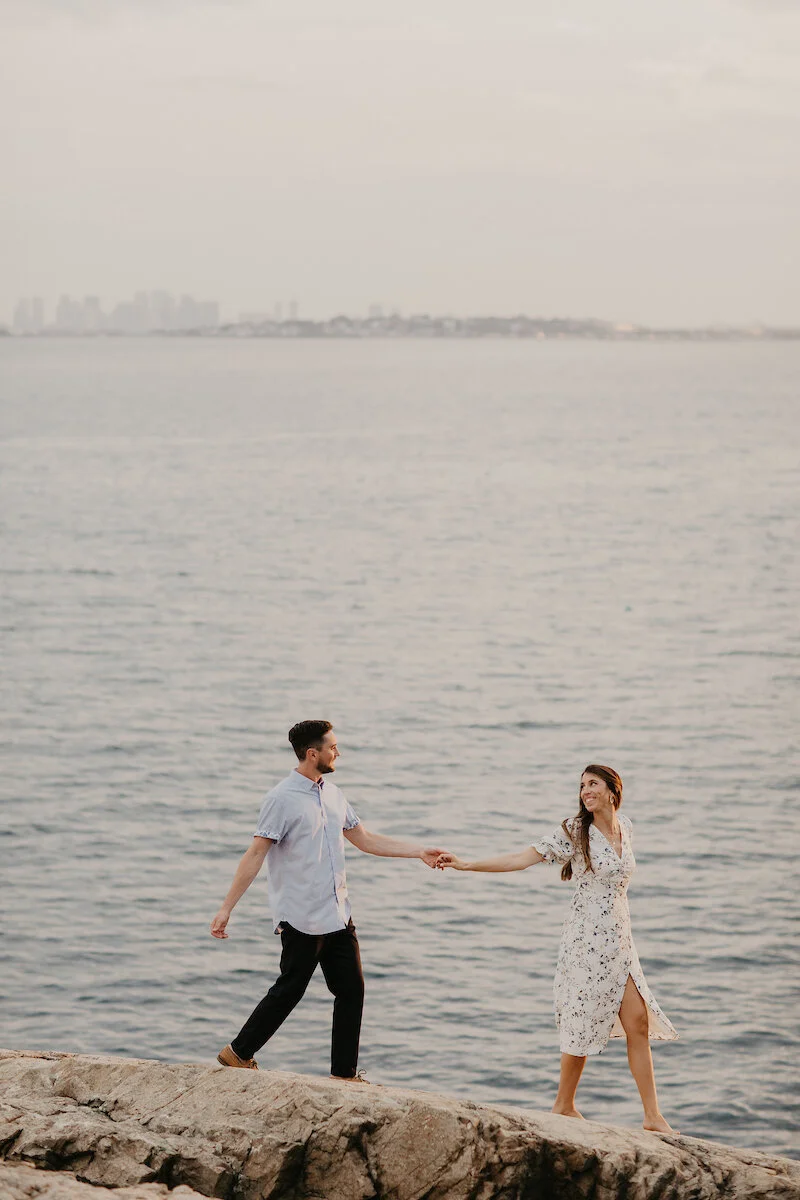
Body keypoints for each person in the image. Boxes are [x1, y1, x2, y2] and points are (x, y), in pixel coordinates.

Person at [436, 764, 678, 1133]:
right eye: (582, 785)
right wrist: (466, 864)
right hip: (586, 941)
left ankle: (652, 1117)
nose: (585, 790)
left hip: (620, 940)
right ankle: (563, 1105)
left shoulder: (625, 827)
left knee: (638, 1022)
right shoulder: (574, 831)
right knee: (581, 1020)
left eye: (593, 784)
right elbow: (521, 858)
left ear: (614, 791)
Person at [210, 720, 446, 1082]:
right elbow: (256, 853)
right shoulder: (281, 798)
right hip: (301, 914)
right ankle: (238, 1053)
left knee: (352, 990)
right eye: (333, 747)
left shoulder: (333, 794)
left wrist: (418, 852)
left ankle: (344, 1076)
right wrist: (227, 908)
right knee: (290, 989)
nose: (339, 752)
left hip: (337, 912)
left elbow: (365, 839)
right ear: (312, 753)